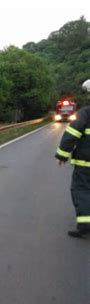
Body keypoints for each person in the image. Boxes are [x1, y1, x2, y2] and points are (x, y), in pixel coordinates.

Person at [55, 79, 90, 238]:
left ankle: (85, 225)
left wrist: (62, 154)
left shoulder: (86, 113)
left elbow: (72, 134)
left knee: (81, 190)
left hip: (85, 164)